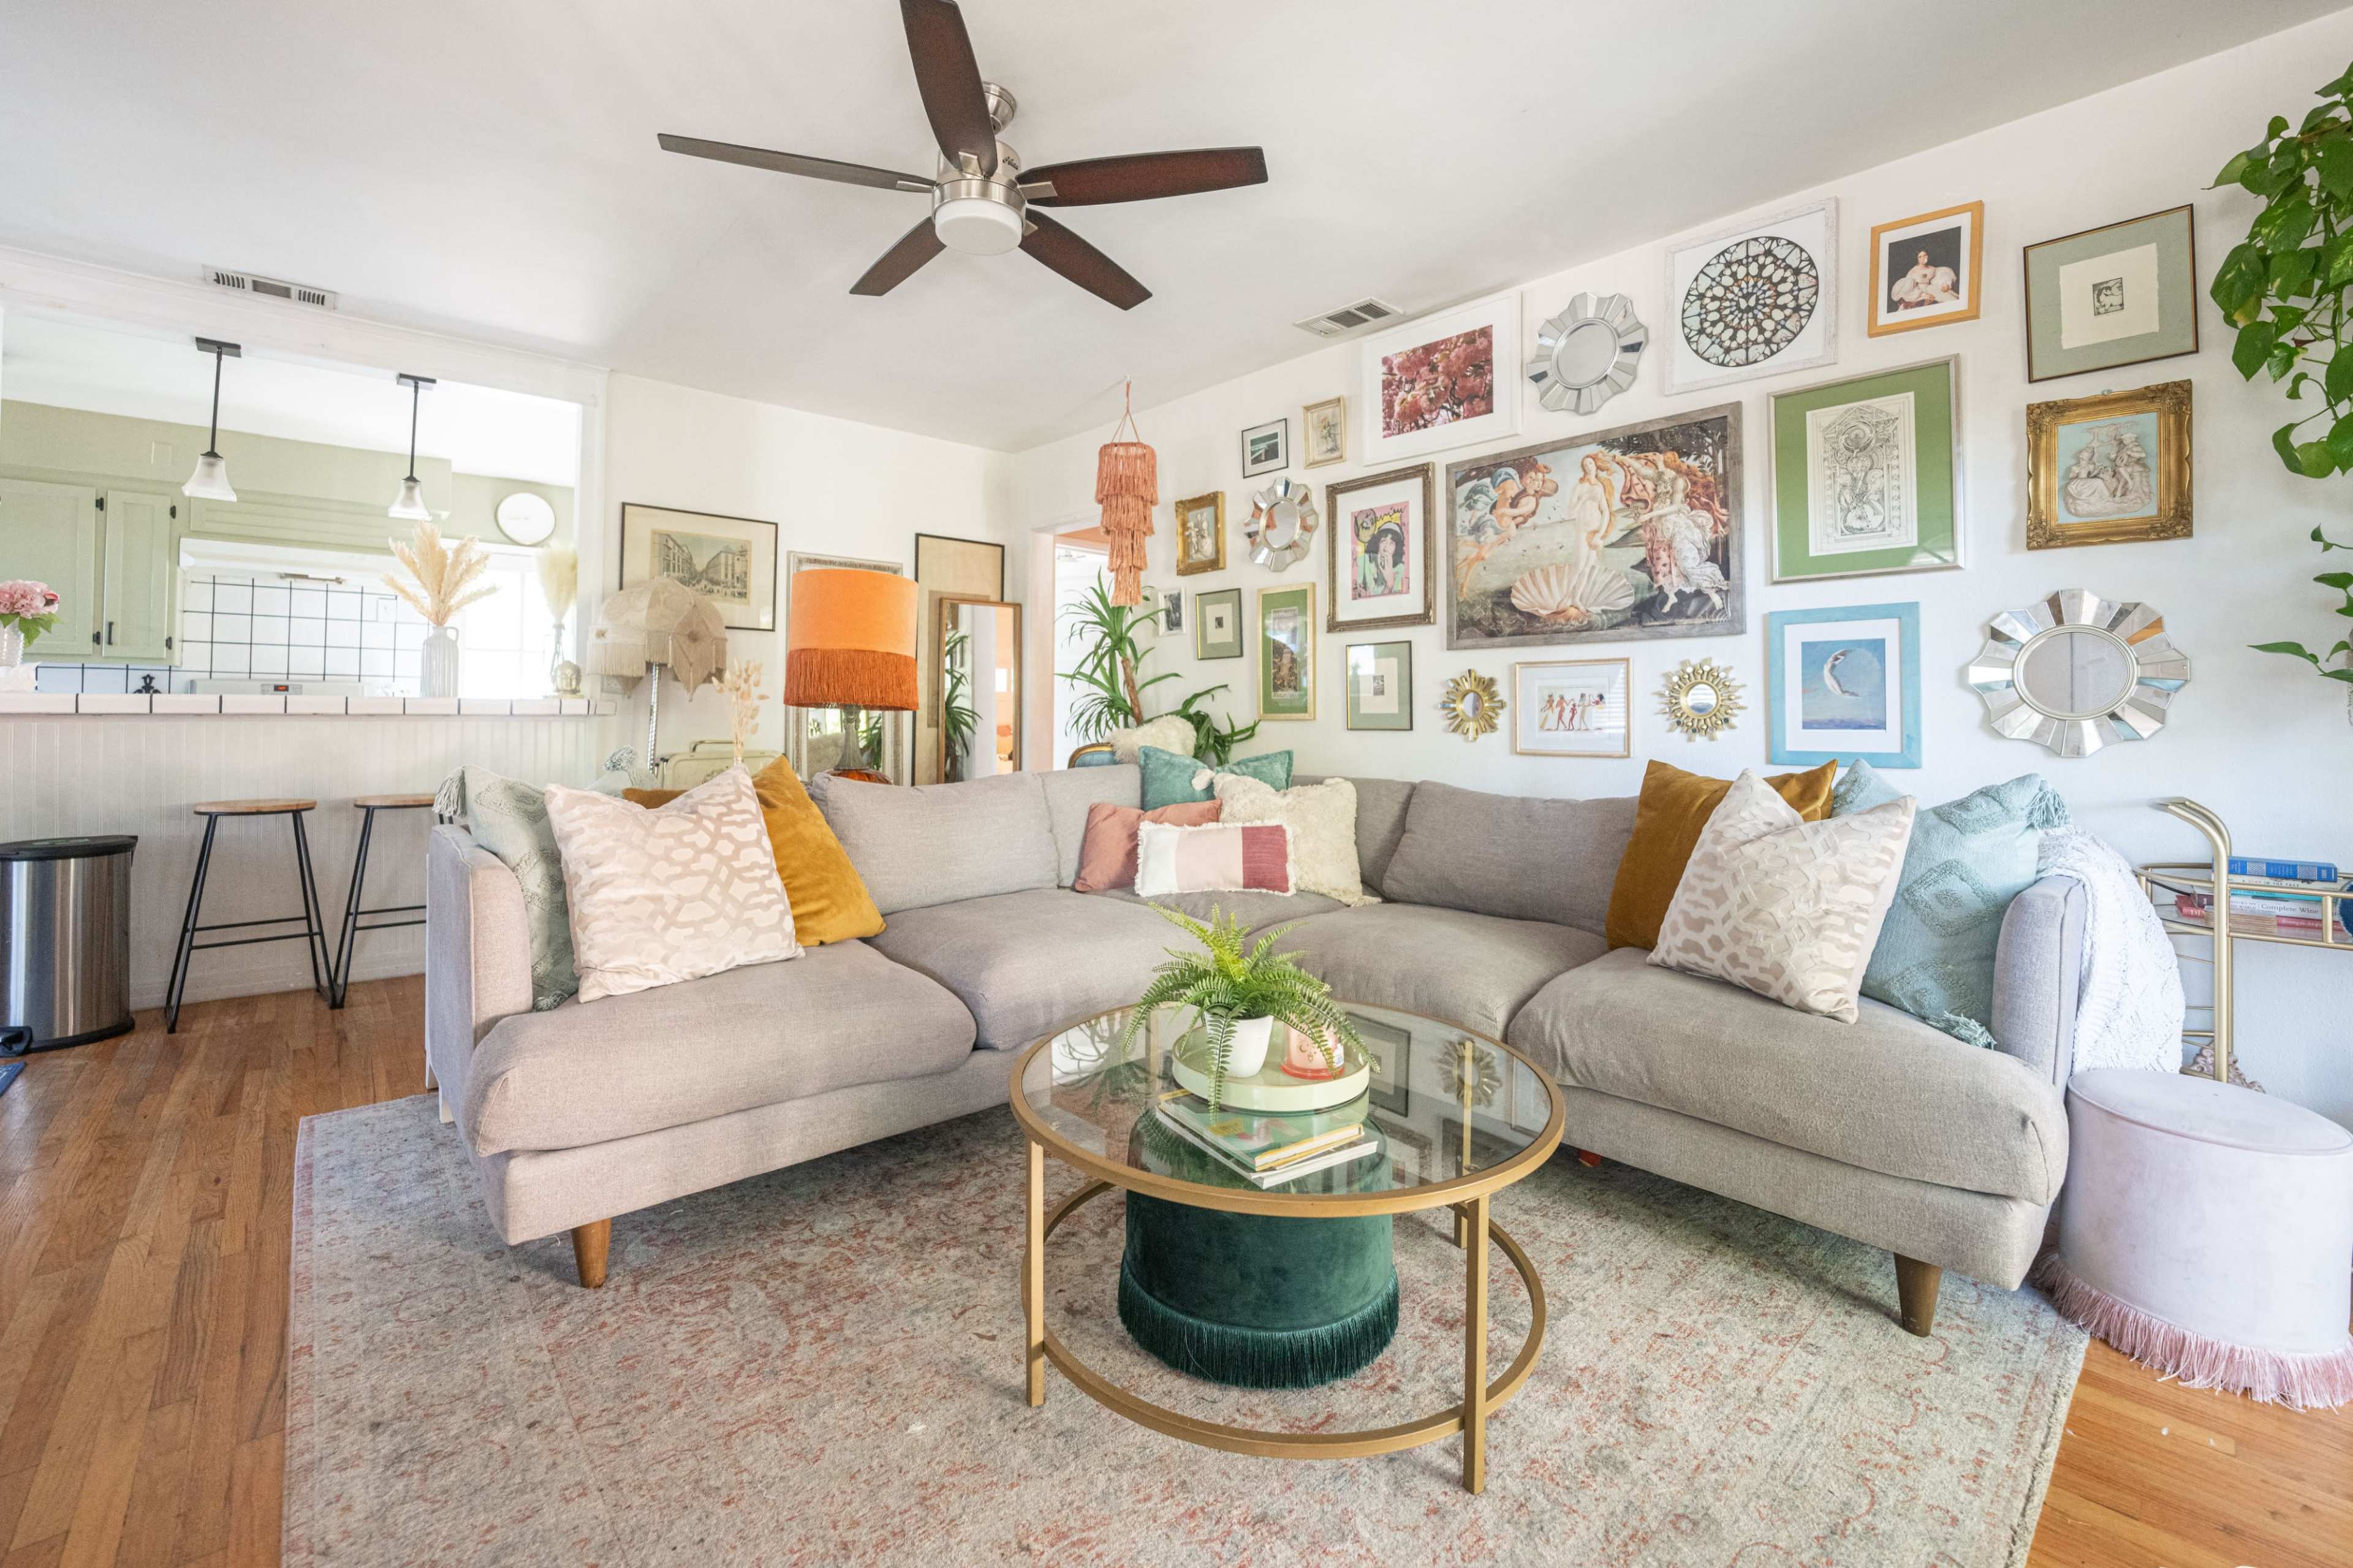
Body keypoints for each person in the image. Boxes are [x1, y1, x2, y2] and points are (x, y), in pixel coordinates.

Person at [1889, 246, 1960, 310]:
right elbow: (1909, 288)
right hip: (1919, 293)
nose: (1923, 258)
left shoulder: (1932, 269)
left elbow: (1942, 273)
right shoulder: (1913, 272)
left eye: (1925, 255)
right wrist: (1924, 295)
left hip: (1931, 288)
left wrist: (1946, 283)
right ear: (1917, 259)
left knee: (1952, 299)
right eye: (1920, 257)